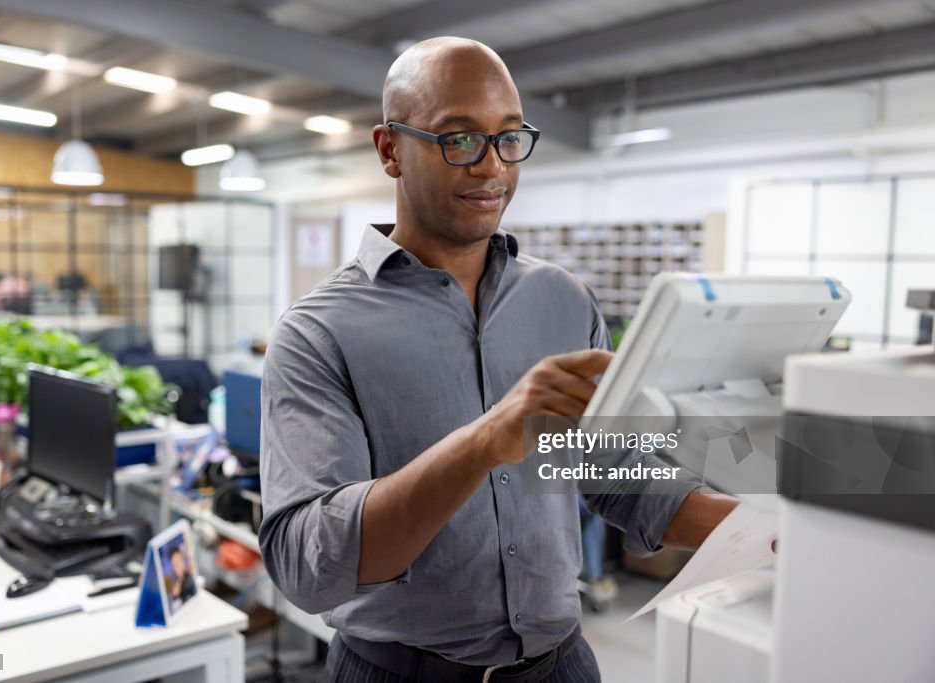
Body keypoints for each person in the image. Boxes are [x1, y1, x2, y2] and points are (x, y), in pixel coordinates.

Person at [260, 37, 743, 682]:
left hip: (560, 665)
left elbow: (613, 465)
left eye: (509, 138)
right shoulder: (319, 332)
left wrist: (766, 529)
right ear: (389, 150)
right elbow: (305, 565)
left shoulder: (563, 300)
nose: (491, 167)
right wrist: (488, 438)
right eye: (459, 139)